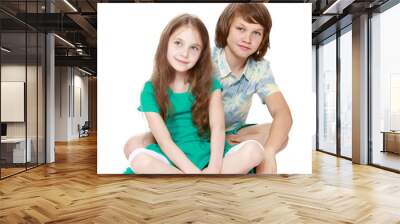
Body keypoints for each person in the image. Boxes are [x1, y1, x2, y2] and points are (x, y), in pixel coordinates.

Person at [124, 14, 265, 174]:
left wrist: (214, 167)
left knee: (255, 151)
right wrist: (194, 174)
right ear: (165, 44)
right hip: (172, 156)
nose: (185, 53)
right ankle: (200, 185)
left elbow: (217, 128)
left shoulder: (211, 84)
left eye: (194, 48)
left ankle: (189, 186)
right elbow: (164, 141)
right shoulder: (150, 89)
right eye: (178, 43)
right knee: (139, 160)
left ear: (201, 53)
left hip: (209, 152)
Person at [212, 3, 292, 174]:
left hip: (233, 132)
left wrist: (269, 152)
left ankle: (258, 184)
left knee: (279, 135)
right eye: (241, 29)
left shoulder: (259, 68)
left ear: (263, 38)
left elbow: (282, 113)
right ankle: (231, 158)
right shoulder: (206, 59)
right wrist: (217, 137)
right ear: (226, 28)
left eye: (256, 33)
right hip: (200, 132)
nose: (247, 39)